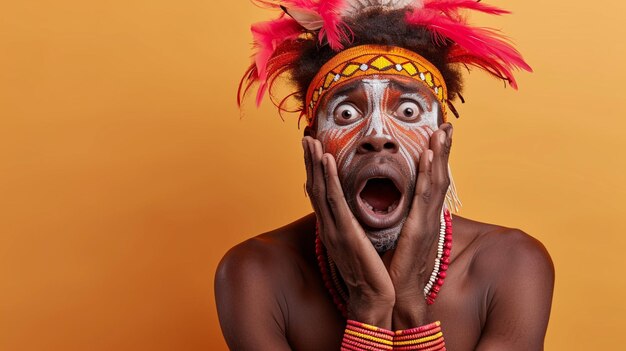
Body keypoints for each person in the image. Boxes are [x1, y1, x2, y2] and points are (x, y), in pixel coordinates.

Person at [215, 1, 555, 350]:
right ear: (312, 148)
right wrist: (370, 304)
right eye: (346, 113)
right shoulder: (254, 273)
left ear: (443, 143)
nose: (378, 134)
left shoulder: (512, 265)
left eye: (408, 110)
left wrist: (408, 301)